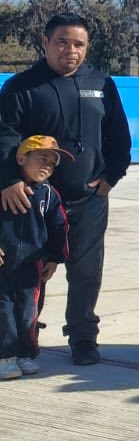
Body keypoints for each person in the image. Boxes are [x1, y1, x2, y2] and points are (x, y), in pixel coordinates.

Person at [0, 12, 132, 366]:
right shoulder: (21, 87)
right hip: (32, 203)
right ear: (45, 42)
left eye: (79, 44)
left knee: (86, 272)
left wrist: (112, 176)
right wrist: (9, 180)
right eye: (62, 42)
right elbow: (4, 136)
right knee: (28, 273)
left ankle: (84, 337)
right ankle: (23, 340)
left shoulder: (102, 84)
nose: (70, 50)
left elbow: (119, 135)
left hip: (87, 199)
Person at [0, 136, 71, 381]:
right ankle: (5, 356)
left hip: (33, 264)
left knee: (29, 310)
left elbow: (59, 227)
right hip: (3, 264)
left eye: (52, 163)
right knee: (4, 309)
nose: (47, 166)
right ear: (21, 158)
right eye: (42, 159)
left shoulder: (49, 195)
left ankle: (25, 353)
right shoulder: (5, 190)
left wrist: (54, 258)